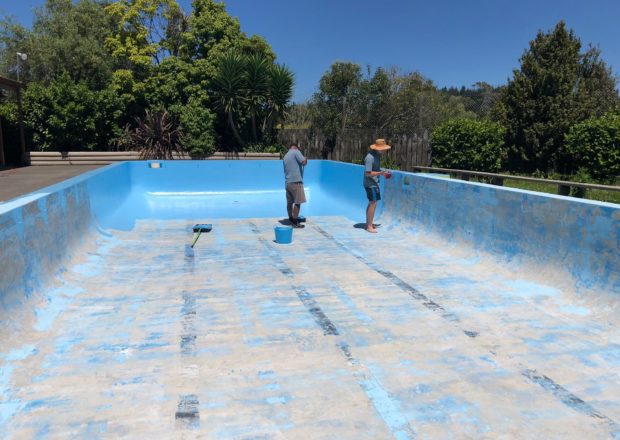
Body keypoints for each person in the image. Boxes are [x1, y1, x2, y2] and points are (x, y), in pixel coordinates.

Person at [363, 139, 391, 233]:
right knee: (373, 203)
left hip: (374, 183)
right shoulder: (370, 157)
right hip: (370, 184)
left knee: (372, 203)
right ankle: (369, 226)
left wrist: (383, 171)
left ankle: (368, 223)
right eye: (382, 149)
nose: (384, 150)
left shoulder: (377, 156)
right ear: (377, 148)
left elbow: (375, 169)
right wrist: (381, 173)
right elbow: (368, 173)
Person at [283, 144, 308, 228]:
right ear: (296, 148)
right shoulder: (296, 152)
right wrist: (305, 159)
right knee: (298, 203)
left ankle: (290, 218)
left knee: (289, 203)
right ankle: (295, 222)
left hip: (288, 183)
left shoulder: (285, 156)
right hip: (296, 182)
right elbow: (303, 163)